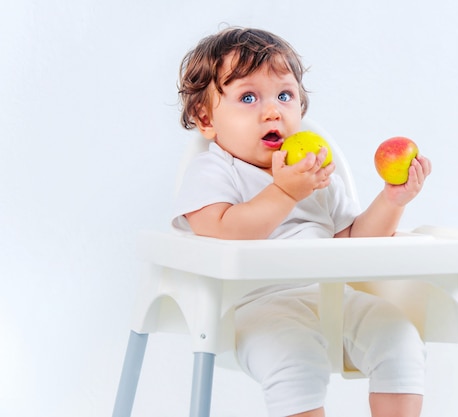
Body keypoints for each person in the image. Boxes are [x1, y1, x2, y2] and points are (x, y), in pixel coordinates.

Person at [173, 27, 432, 417]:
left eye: (284, 95)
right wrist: (285, 193)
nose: (273, 110)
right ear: (206, 118)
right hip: (252, 308)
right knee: (295, 359)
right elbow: (222, 230)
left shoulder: (316, 173)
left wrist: (393, 200)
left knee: (399, 336)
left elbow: (355, 240)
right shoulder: (214, 170)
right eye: (248, 97)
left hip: (332, 296)